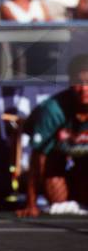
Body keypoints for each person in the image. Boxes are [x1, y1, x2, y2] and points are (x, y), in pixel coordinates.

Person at [17, 54, 88, 217]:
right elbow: (38, 158)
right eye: (79, 83)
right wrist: (31, 203)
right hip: (56, 156)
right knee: (58, 200)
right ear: (70, 83)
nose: (84, 89)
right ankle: (26, 185)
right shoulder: (51, 110)